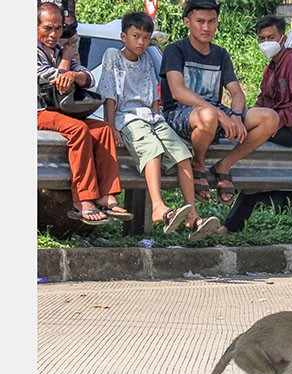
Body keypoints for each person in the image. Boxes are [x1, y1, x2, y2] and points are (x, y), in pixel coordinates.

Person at [97, 11, 220, 240]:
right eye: (136, 36)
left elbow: (154, 95)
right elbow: (109, 94)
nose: (141, 42)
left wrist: (159, 120)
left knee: (183, 155)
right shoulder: (113, 55)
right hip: (128, 118)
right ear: (124, 36)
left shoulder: (147, 59)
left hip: (153, 118)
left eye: (145, 37)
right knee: (152, 150)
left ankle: (191, 213)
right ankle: (158, 207)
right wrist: (111, 125)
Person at [159, 0, 279, 207]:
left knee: (270, 118)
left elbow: (236, 91)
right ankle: (198, 163)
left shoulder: (221, 54)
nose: (206, 27)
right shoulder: (174, 50)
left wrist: (236, 114)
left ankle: (224, 165)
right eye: (200, 21)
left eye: (211, 21)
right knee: (209, 115)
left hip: (215, 115)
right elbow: (178, 92)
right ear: (187, 22)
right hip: (181, 114)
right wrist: (220, 114)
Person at [217, 15, 292, 234]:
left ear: (283, 38)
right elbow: (263, 100)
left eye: (270, 37)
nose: (266, 42)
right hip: (277, 125)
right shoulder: (271, 67)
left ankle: (223, 166)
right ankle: (231, 226)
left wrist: (277, 121)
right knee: (252, 165)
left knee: (250, 145)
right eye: (261, 38)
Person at [37, 1, 133, 226]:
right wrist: (67, 64)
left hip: (63, 110)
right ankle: (83, 198)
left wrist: (73, 73)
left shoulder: (62, 50)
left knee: (103, 131)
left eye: (58, 28)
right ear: (36, 27)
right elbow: (52, 79)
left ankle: (107, 193)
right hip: (39, 110)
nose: (54, 34)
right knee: (78, 129)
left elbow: (87, 77)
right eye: (47, 28)